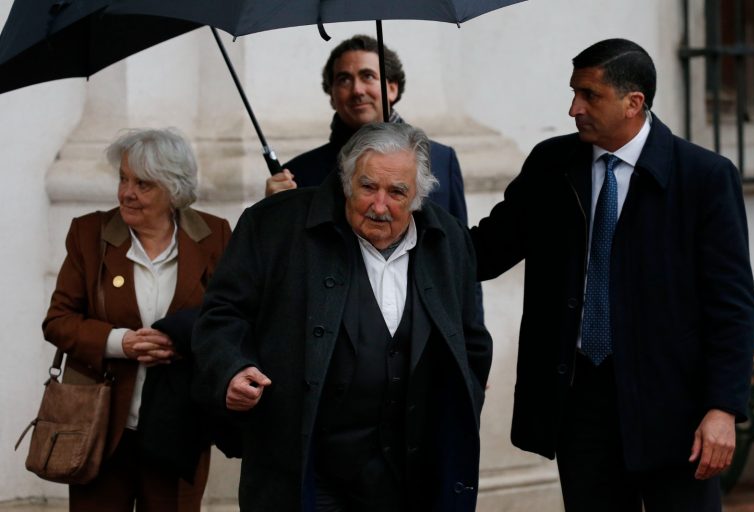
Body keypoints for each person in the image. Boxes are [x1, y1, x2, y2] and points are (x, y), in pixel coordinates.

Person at [471, 39, 754, 511]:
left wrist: (723, 408)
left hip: (675, 410)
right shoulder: (551, 165)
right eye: (574, 93)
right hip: (579, 402)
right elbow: (485, 251)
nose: (574, 108)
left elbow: (731, 306)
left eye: (589, 95)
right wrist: (409, 225)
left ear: (633, 103)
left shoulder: (704, 177)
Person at [192, 122, 492, 511]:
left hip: (414, 472)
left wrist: (464, 393)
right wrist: (231, 369)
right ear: (347, 180)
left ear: (418, 195)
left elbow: (471, 338)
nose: (379, 206)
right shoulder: (274, 225)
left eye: (396, 192)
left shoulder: (448, 240)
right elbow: (221, 315)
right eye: (368, 187)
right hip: (309, 469)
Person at [42, 128, 232, 512]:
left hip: (179, 427)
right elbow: (58, 320)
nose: (127, 193)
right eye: (123, 179)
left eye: (143, 184)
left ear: (174, 189)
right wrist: (120, 343)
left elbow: (230, 319)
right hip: (100, 427)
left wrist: (182, 340)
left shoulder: (214, 236)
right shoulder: (89, 234)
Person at [266, 34, 468, 223]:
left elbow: (459, 243)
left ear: (392, 88)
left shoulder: (442, 160)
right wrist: (272, 214)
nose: (357, 90)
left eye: (368, 76)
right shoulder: (298, 175)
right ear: (332, 96)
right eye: (344, 79)